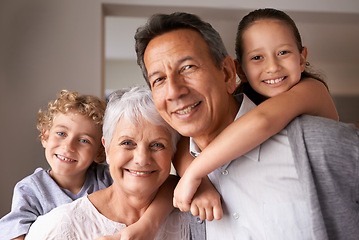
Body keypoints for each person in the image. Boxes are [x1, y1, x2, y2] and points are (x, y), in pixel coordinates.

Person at [135, 10, 359, 240]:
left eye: (188, 67)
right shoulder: (182, 185)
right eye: (159, 79)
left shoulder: (315, 135)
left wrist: (194, 171)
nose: (173, 91)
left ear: (227, 73)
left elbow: (263, 121)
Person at [172, 8, 340, 215]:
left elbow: (264, 120)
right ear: (240, 70)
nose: (272, 67)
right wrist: (203, 183)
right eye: (257, 57)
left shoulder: (313, 90)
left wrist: (195, 173)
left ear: (301, 58)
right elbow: (181, 142)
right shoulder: (244, 107)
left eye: (283, 53)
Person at [25, 86, 205, 240]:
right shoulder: (56, 228)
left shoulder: (197, 216)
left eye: (157, 145)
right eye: (127, 143)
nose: (142, 159)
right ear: (107, 149)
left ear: (173, 152)